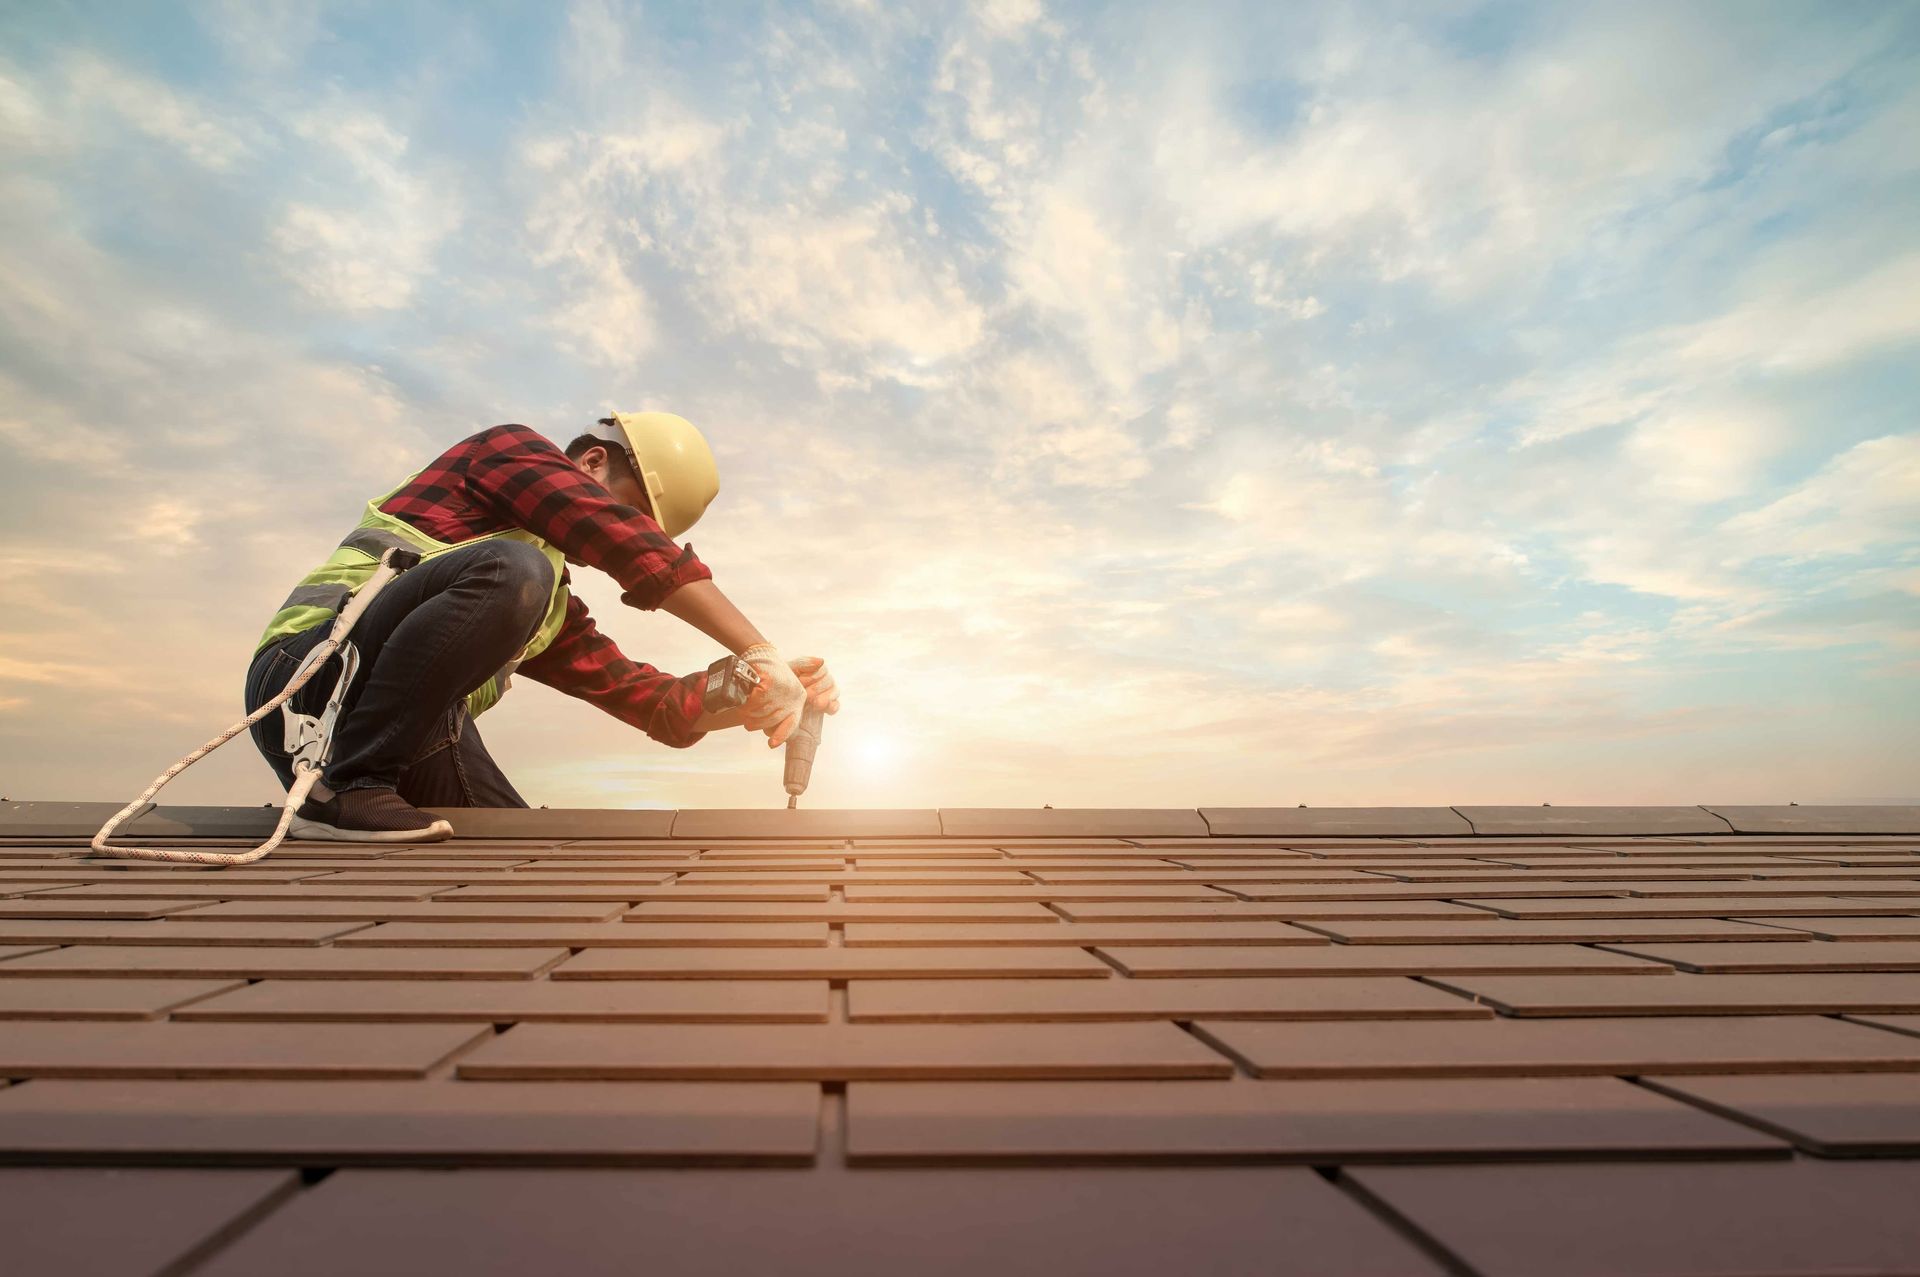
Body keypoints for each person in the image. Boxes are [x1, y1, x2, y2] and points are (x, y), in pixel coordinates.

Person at [242, 413, 837, 842]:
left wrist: (751, 688)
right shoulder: (505, 453)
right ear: (592, 461)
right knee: (513, 567)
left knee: (516, 850)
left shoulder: (542, 605)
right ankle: (348, 789)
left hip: (406, 735)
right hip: (308, 678)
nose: (618, 528)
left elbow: (651, 702)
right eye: (627, 511)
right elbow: (612, 537)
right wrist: (758, 647)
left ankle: (358, 796)